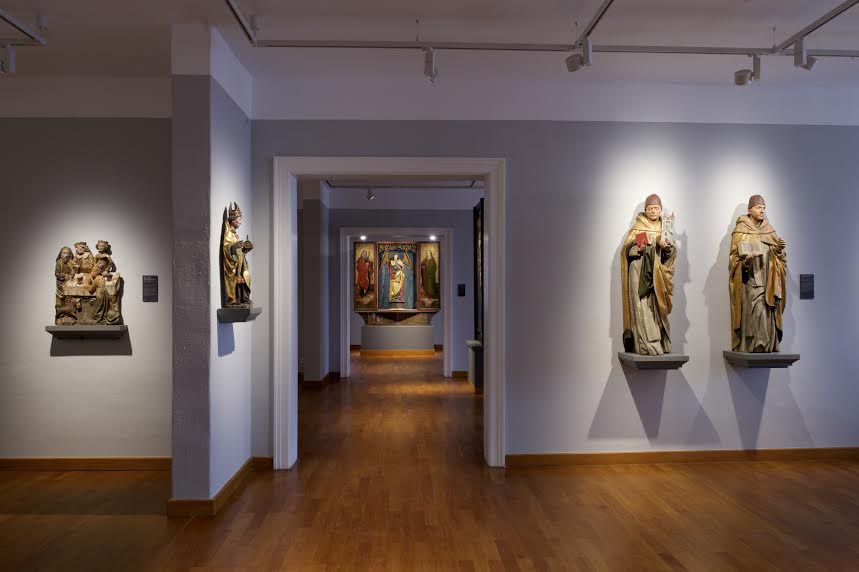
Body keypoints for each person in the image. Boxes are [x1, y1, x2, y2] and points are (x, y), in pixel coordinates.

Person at [620, 194, 677, 355]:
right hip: (639, 272)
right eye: (650, 209)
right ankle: (646, 344)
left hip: (658, 273)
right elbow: (626, 251)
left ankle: (660, 342)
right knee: (642, 306)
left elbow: (671, 254)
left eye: (656, 208)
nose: (653, 211)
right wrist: (639, 247)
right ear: (645, 210)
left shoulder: (665, 228)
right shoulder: (638, 227)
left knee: (657, 308)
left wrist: (667, 249)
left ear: (660, 210)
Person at [729, 195, 787, 352]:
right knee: (755, 310)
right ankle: (754, 344)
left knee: (767, 311)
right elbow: (733, 260)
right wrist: (746, 261)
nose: (762, 211)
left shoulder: (769, 230)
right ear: (750, 210)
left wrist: (778, 250)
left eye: (763, 208)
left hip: (768, 280)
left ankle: (766, 344)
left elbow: (779, 259)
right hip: (751, 281)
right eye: (758, 207)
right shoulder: (740, 231)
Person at [222, 202, 254, 307]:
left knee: (244, 277)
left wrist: (244, 249)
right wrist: (233, 247)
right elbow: (226, 248)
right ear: (233, 220)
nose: (240, 222)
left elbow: (238, 252)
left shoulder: (235, 235)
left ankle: (242, 299)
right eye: (239, 219)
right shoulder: (229, 234)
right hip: (233, 267)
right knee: (236, 281)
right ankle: (233, 300)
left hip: (239, 266)